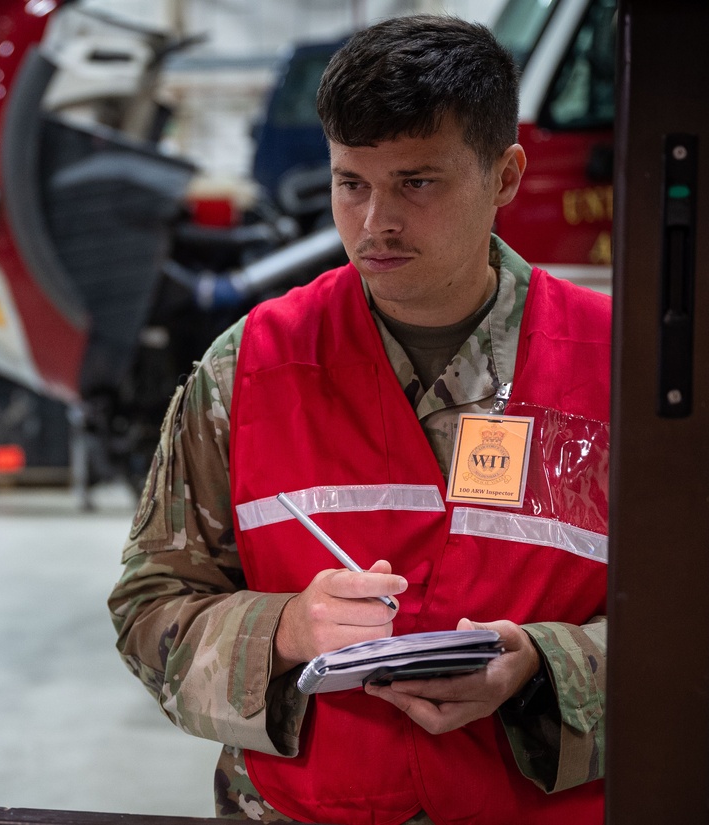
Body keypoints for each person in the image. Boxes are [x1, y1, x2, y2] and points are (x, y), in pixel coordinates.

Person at [108, 14, 609, 825]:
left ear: (506, 174)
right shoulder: (249, 369)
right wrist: (284, 629)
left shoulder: (622, 375)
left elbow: (686, 624)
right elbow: (150, 607)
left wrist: (546, 667)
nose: (376, 221)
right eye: (351, 182)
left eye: (417, 182)